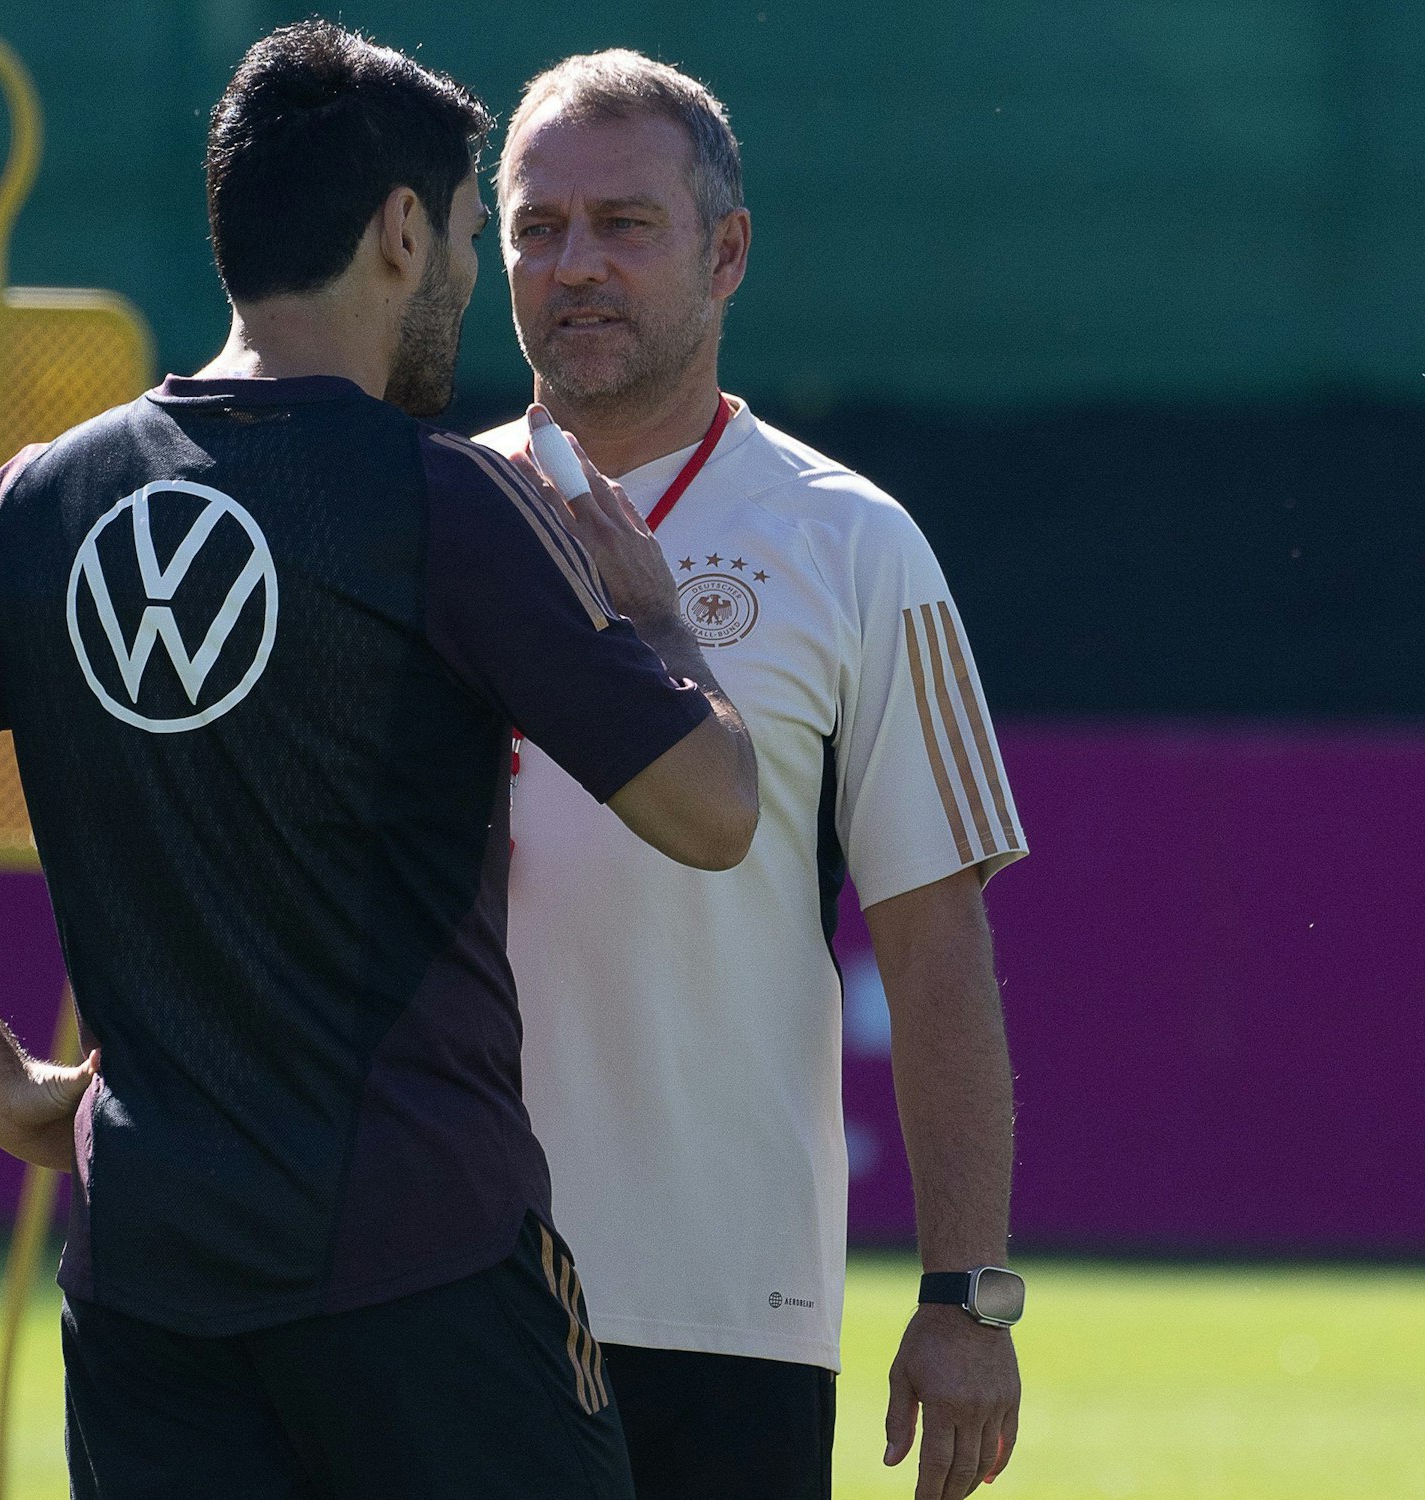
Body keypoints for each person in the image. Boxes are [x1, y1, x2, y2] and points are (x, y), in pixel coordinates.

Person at [0, 22, 758, 1500]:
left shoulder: (38, 503)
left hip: (148, 1291)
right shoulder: (448, 508)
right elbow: (716, 811)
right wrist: (666, 625)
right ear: (402, 234)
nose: (478, 281)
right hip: (427, 1270)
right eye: (477, 234)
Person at [479, 51, 1029, 1500]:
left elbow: (936, 944)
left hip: (726, 1307)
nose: (575, 266)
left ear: (726, 254)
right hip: (437, 1295)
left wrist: (965, 1296)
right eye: (538, 229)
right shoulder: (429, 523)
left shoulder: (855, 545)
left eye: (624, 225)